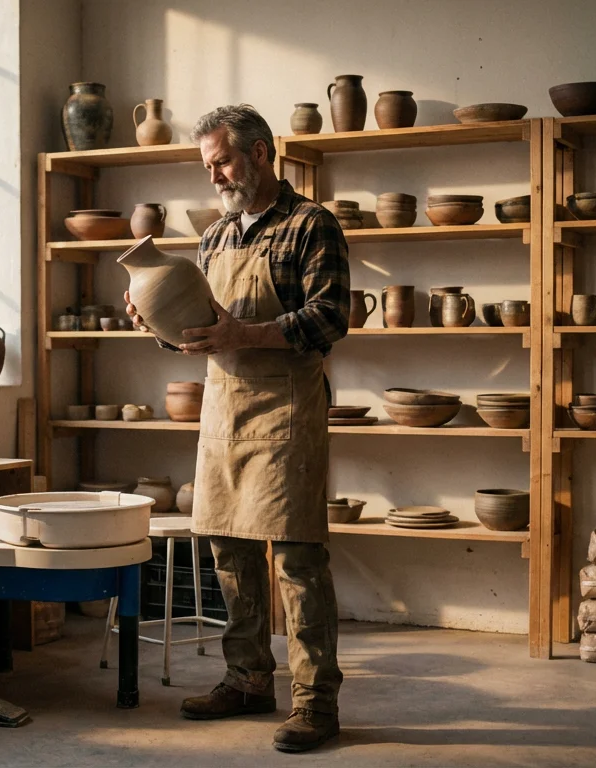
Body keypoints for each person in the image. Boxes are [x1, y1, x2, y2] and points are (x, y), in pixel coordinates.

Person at [124, 104, 351, 753]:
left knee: (300, 560)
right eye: (207, 165)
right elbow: (197, 334)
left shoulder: (312, 225)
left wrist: (243, 333)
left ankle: (316, 702)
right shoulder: (217, 236)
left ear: (258, 153)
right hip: (223, 408)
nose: (215, 174)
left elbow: (331, 317)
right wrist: (157, 323)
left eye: (222, 160)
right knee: (229, 552)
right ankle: (248, 679)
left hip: (286, 407)